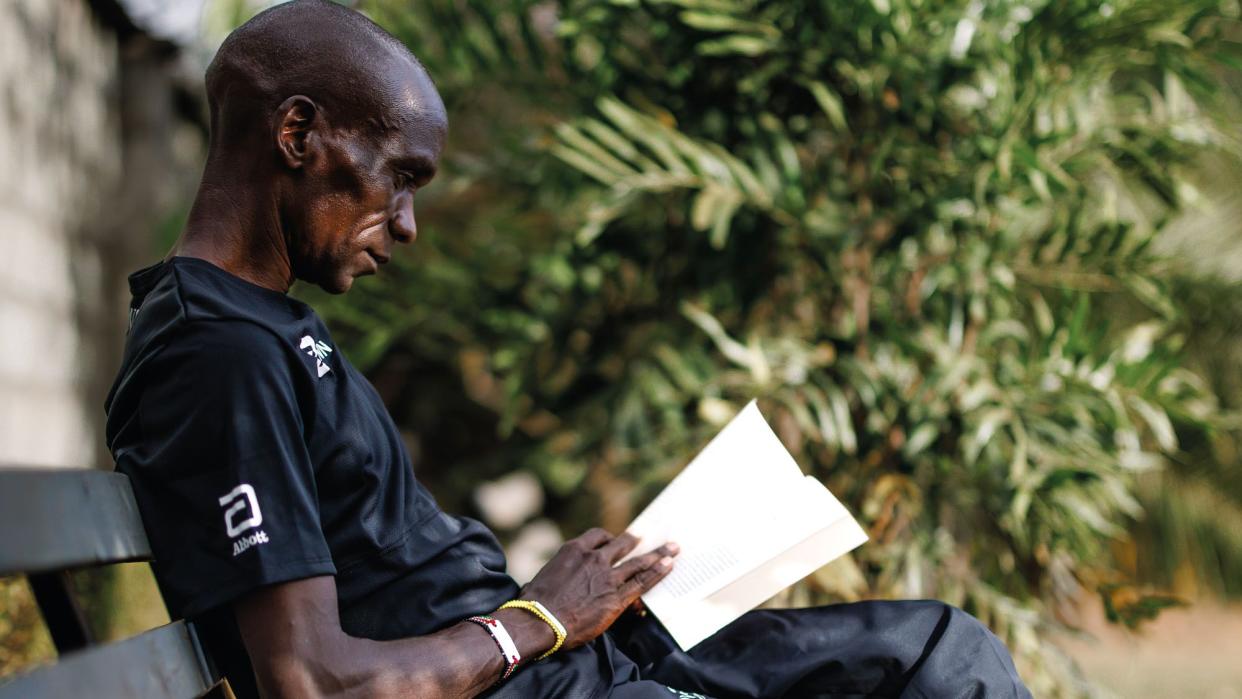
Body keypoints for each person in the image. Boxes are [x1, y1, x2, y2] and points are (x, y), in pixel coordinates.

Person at [104, 2, 1032, 697]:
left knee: (931, 650)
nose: (410, 224)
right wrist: (535, 620)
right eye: (400, 178)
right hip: (542, 678)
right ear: (298, 133)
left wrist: (564, 606)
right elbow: (309, 679)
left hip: (566, 666)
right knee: (941, 667)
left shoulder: (253, 326)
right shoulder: (217, 355)